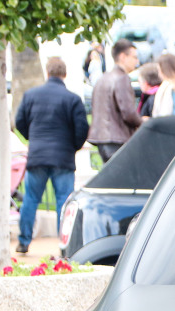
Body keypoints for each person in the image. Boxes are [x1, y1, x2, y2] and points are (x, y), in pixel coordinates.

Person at [14, 57, 89, 255]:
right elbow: (82, 128)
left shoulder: (31, 95)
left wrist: (33, 139)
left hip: (37, 155)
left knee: (30, 199)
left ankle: (24, 241)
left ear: (47, 73)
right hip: (63, 157)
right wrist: (73, 146)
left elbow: (19, 121)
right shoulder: (72, 99)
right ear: (64, 74)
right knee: (63, 202)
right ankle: (63, 246)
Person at [87, 39, 141, 163]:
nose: (136, 62)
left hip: (102, 138)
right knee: (122, 180)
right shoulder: (122, 78)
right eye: (134, 57)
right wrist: (143, 122)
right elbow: (128, 112)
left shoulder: (103, 78)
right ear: (123, 57)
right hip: (116, 138)